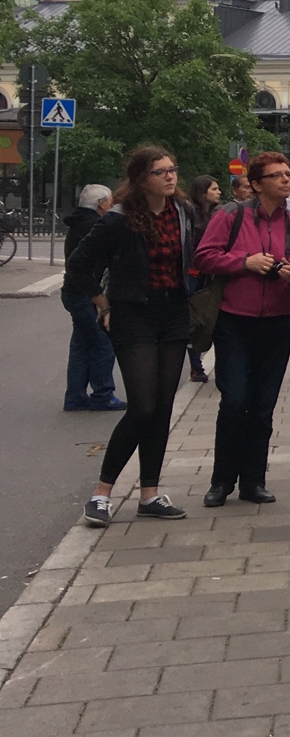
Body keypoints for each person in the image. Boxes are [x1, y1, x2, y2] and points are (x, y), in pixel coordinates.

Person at [65, 148, 196, 526]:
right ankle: (102, 493)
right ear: (142, 179)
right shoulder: (119, 220)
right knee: (142, 405)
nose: (170, 177)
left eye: (173, 169)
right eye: (160, 172)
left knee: (163, 406)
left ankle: (150, 494)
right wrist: (103, 304)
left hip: (173, 314)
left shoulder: (182, 213)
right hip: (133, 314)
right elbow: (79, 265)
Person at [195, 151, 290, 508]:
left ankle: (253, 481)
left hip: (278, 321)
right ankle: (221, 481)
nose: (286, 180)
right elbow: (203, 256)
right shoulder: (230, 216)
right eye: (278, 175)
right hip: (235, 319)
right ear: (258, 184)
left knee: (263, 406)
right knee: (234, 401)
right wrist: (242, 262)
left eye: (289, 175)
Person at [60, 183, 121, 413]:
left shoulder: (78, 224)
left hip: (73, 292)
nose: (112, 205)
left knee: (81, 343)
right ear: (101, 204)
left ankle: (75, 395)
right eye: (110, 201)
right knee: (102, 342)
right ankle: (103, 394)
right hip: (87, 294)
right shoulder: (96, 226)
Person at [182, 175, 223, 384]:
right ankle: (196, 366)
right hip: (193, 273)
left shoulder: (217, 214)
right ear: (203, 192)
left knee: (210, 315)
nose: (219, 192)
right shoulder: (191, 214)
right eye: (214, 189)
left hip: (211, 273)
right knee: (195, 315)